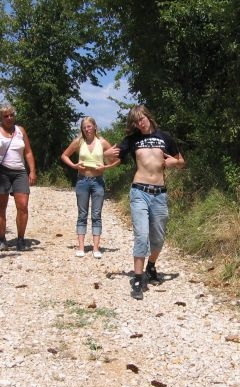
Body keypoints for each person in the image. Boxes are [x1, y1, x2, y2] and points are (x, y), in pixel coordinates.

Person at [104, 104, 185, 300]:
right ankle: (138, 278)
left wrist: (175, 162)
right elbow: (113, 160)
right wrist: (106, 156)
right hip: (139, 191)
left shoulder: (165, 137)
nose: (140, 122)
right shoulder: (132, 140)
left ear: (148, 116)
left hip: (159, 194)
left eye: (141, 118)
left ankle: (150, 266)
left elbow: (181, 161)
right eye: (135, 121)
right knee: (141, 235)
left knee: (158, 237)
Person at [60, 116, 119, 258]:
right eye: (84, 127)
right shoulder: (79, 142)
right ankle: (81, 247)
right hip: (82, 181)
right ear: (82, 129)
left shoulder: (103, 142)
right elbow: (64, 155)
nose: (87, 129)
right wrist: (74, 165)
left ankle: (96, 248)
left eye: (89, 126)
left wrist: (106, 166)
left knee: (96, 214)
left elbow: (117, 159)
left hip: (98, 181)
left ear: (94, 127)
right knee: (82, 214)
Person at [0, 104, 37, 252]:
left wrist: (32, 171)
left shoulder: (20, 131)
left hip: (19, 171)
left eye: (11, 115)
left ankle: (20, 239)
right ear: (1, 117)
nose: (9, 118)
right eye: (6, 116)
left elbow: (28, 152)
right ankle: (2, 239)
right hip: (0, 172)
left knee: (23, 205)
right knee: (1, 206)